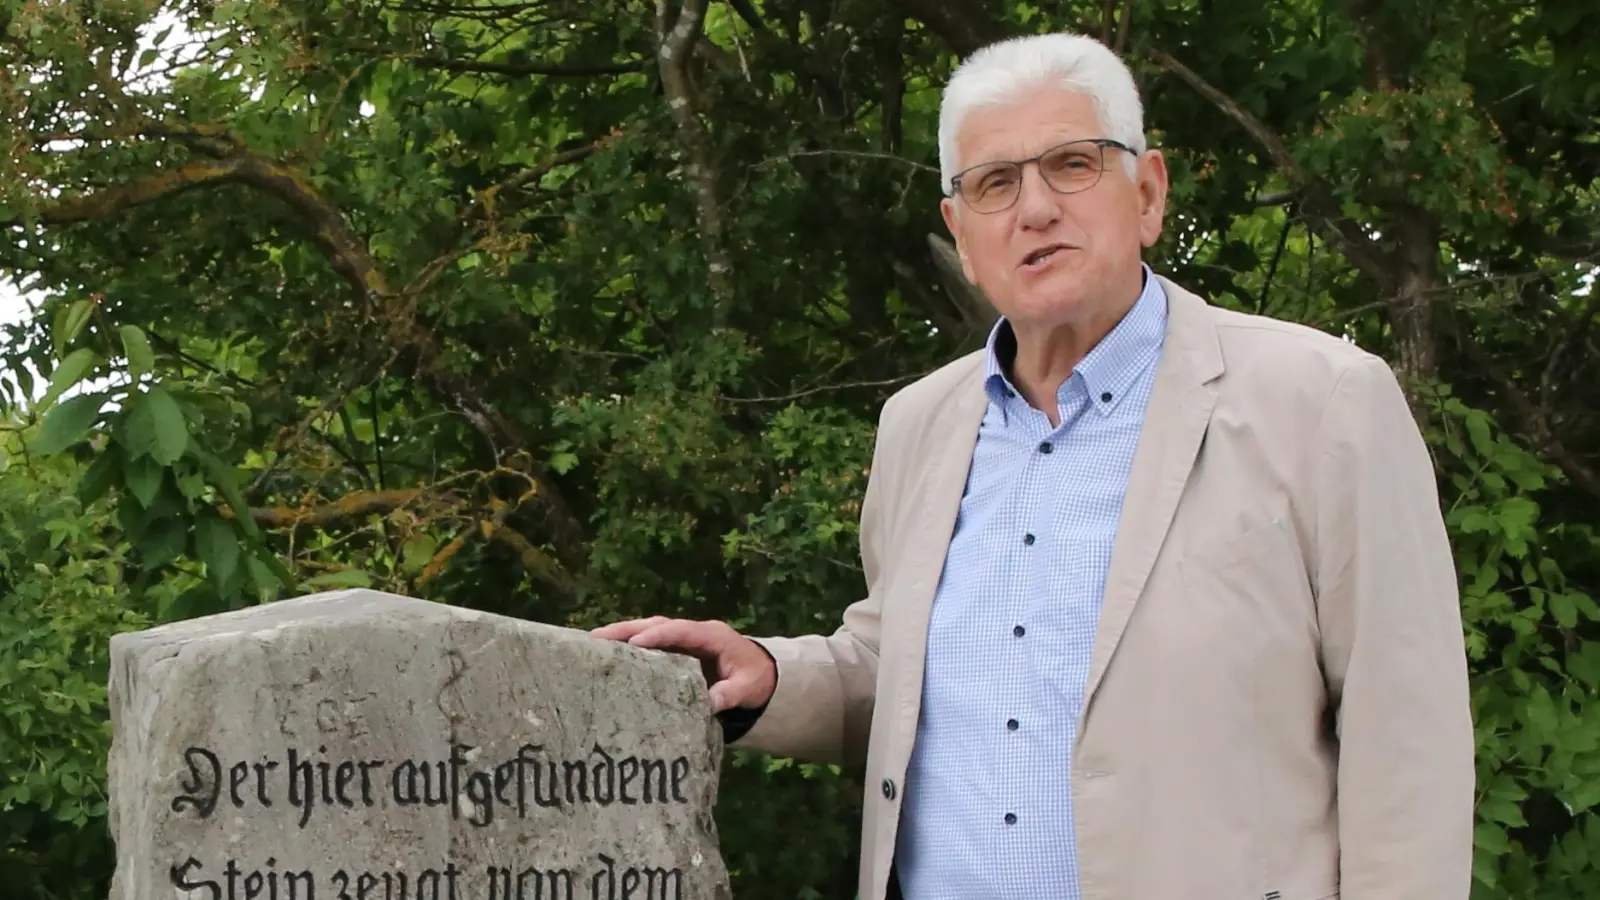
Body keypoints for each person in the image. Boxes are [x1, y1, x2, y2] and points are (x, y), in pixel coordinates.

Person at [592, 29, 1475, 900]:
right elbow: (898, 671)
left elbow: (1408, 737)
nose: (1036, 207)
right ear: (961, 232)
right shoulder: (918, 426)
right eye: (996, 183)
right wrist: (772, 677)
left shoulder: (1321, 401)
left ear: (1149, 192)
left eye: (1073, 164)